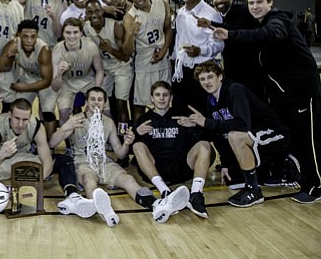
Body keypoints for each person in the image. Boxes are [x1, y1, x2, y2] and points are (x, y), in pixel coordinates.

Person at [213, 0, 321, 204]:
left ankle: (317, 186)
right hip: (285, 96)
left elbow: (270, 34)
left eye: (260, 2)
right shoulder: (259, 24)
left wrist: (231, 34)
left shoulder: (278, 21)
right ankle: (305, 180)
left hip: (303, 92)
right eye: (251, 3)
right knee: (296, 140)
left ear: (270, 3)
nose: (255, 7)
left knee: (310, 140)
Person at [50, 87, 172, 225]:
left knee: (129, 179)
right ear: (87, 102)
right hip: (83, 161)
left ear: (104, 103)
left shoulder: (108, 122)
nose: (96, 103)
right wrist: (66, 126)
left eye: (100, 100)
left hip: (104, 162)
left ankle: (156, 206)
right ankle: (106, 212)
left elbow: (120, 153)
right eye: (93, 99)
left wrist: (126, 143)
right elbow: (52, 143)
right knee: (89, 181)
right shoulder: (77, 120)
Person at [183, 61, 297, 206]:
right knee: (233, 182)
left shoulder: (234, 90)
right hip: (254, 139)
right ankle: (270, 169)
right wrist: (225, 163)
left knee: (235, 136)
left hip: (275, 135)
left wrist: (205, 122)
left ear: (220, 77)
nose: (206, 82)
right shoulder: (210, 100)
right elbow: (218, 134)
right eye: (202, 79)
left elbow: (242, 125)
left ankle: (254, 189)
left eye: (210, 77)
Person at [132, 81, 212, 221]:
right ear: (152, 98)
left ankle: (196, 195)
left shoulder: (182, 115)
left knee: (204, 145)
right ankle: (164, 191)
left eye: (165, 95)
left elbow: (206, 138)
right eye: (158, 95)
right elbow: (127, 151)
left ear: (171, 97)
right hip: (156, 168)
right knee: (137, 146)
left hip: (182, 166)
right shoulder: (144, 119)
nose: (161, 98)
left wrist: (193, 125)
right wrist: (136, 133)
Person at [196, 0, 261, 96]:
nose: (219, 0)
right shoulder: (220, 15)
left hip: (249, 69)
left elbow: (234, 31)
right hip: (231, 68)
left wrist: (211, 24)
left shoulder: (244, 11)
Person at [123, 0, 173, 125]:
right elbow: (127, 51)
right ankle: (139, 139)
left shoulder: (162, 3)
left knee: (165, 101)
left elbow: (168, 29)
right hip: (144, 62)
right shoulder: (130, 17)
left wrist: (164, 50)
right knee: (140, 105)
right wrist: (132, 33)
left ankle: (165, 135)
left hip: (162, 58)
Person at [171, 0, 223, 112]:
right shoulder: (181, 12)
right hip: (182, 68)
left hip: (202, 68)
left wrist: (200, 50)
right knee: (180, 108)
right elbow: (178, 37)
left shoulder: (211, 14)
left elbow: (219, 44)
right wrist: (175, 57)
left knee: (201, 109)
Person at [0, 19, 56, 133]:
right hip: (28, 76)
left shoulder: (44, 49)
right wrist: (7, 56)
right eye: (25, 36)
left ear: (37, 36)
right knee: (20, 111)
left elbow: (47, 80)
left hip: (45, 79)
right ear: (18, 35)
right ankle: (23, 139)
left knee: (48, 112)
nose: (29, 40)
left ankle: (49, 147)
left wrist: (23, 87)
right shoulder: (13, 44)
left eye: (33, 36)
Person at [83, 0, 133, 129]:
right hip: (105, 68)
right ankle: (105, 135)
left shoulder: (115, 26)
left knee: (121, 103)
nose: (94, 15)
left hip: (121, 66)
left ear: (102, 12)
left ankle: (122, 137)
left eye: (97, 11)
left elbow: (125, 56)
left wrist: (110, 49)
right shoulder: (86, 26)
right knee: (101, 104)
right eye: (90, 12)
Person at [0, 98, 54, 181]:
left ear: (30, 117)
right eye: (17, 118)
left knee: (59, 161)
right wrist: (1, 155)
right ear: (9, 115)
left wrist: (36, 181)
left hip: (26, 157)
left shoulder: (37, 126)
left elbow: (47, 161)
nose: (20, 124)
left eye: (25, 119)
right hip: (3, 160)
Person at [51, 18, 104, 128]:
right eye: (68, 32)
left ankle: (100, 140)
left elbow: (99, 71)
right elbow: (55, 87)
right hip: (68, 82)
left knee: (105, 110)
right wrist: (59, 73)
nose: (71, 36)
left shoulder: (90, 46)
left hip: (88, 80)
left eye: (75, 32)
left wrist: (96, 91)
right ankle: (69, 142)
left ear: (81, 33)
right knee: (64, 113)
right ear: (63, 34)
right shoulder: (57, 50)